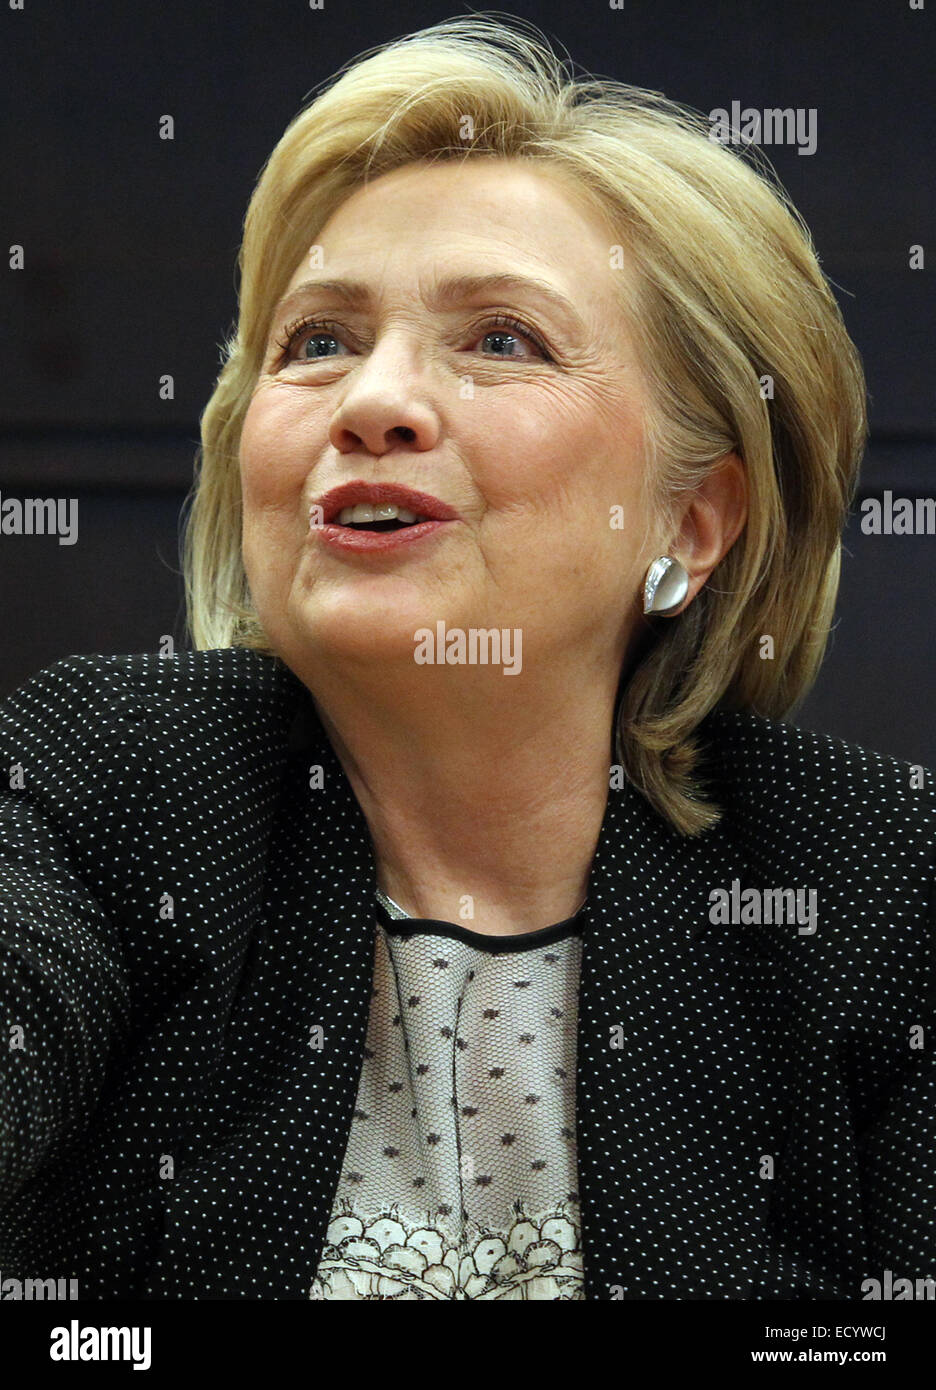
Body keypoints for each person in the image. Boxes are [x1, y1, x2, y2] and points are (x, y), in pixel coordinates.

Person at [1, 16, 933, 1302]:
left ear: (691, 521)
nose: (371, 402)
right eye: (317, 340)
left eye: (503, 340)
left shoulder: (879, 890)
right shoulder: (109, 787)